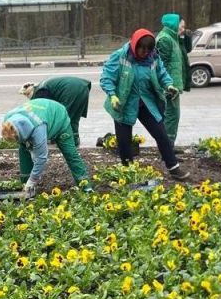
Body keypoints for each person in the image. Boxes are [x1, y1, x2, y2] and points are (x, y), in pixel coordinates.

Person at [100, 28, 190, 180]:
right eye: (142, 49)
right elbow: (107, 77)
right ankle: (128, 172)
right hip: (123, 103)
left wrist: (168, 85)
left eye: (148, 49)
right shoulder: (120, 56)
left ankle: (173, 167)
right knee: (124, 140)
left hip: (146, 102)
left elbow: (162, 73)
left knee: (161, 133)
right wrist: (112, 95)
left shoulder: (153, 57)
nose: (145, 53)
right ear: (135, 45)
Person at [1, 98, 91, 196]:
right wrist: (28, 147)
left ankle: (86, 186)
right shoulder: (8, 120)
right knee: (23, 148)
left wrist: (33, 180)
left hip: (58, 116)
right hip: (40, 111)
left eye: (17, 139)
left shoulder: (38, 128)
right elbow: (23, 142)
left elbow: (41, 158)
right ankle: (25, 185)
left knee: (70, 153)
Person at [18, 76, 91, 146]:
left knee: (65, 116)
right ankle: (74, 139)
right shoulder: (42, 86)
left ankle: (69, 141)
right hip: (83, 87)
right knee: (74, 115)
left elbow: (46, 113)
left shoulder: (40, 92)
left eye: (26, 95)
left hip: (70, 91)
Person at [155, 13, 191, 145]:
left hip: (173, 85)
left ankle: (169, 146)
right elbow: (160, 65)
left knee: (173, 116)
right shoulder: (165, 39)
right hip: (169, 87)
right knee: (171, 116)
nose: (182, 29)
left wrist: (185, 37)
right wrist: (166, 86)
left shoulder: (173, 38)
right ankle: (167, 148)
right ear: (173, 25)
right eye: (181, 27)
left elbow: (186, 50)